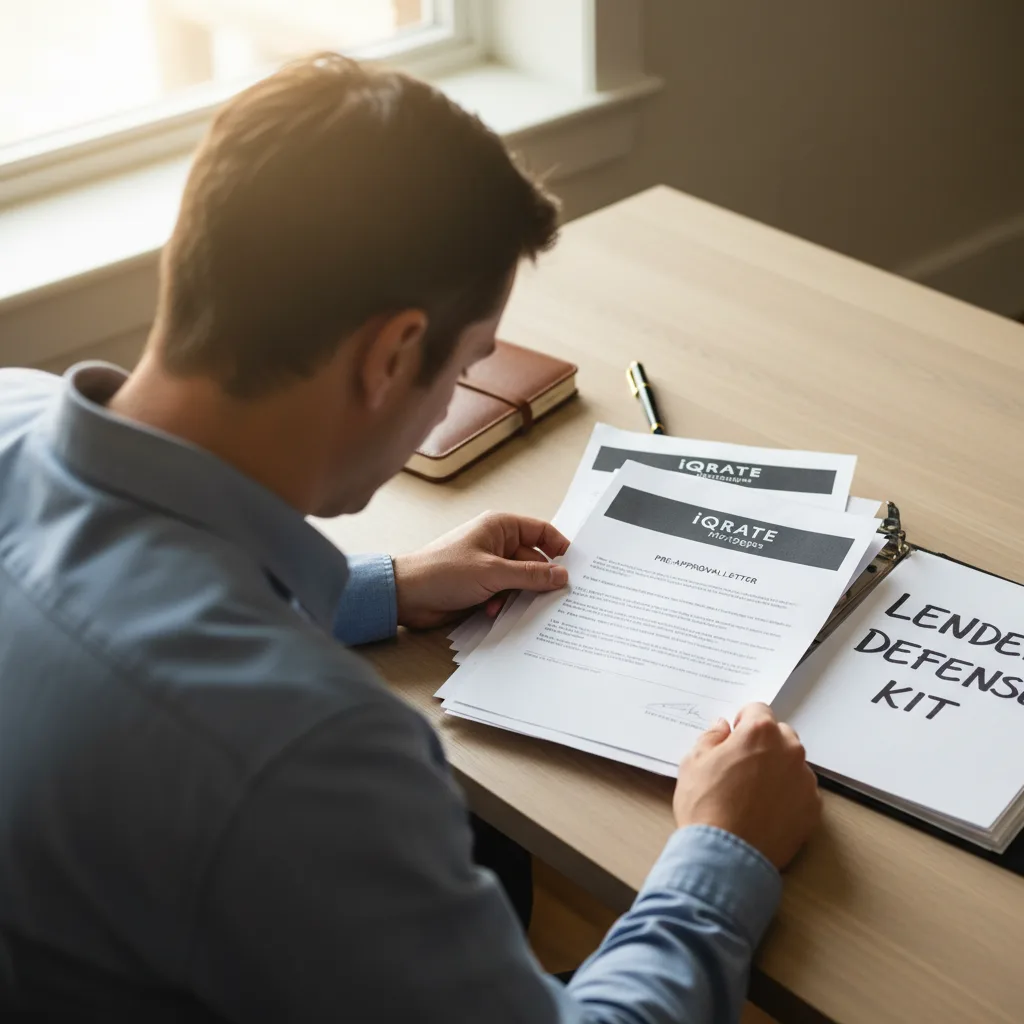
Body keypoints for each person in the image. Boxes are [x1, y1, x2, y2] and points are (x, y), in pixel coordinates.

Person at [0, 53, 821, 1023]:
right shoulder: (306, 756)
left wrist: (389, 584)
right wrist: (721, 853)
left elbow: (124, 595)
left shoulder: (17, 407)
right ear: (392, 356)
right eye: (465, 364)